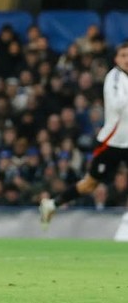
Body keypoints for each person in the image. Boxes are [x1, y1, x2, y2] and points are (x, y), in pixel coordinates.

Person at [40, 41, 128, 223]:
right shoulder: (115, 78)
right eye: (123, 55)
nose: (127, 60)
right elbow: (119, 104)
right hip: (111, 142)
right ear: (116, 59)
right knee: (90, 184)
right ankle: (52, 205)